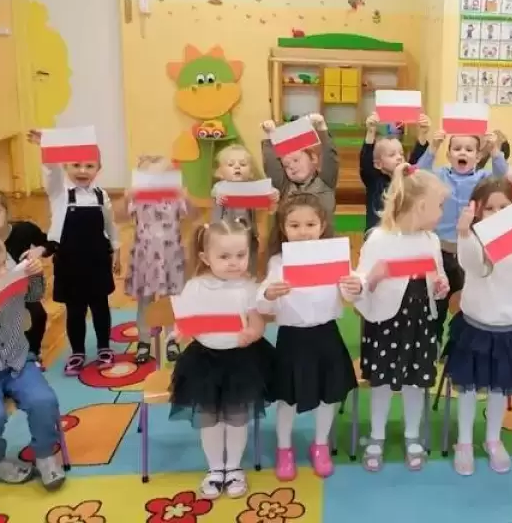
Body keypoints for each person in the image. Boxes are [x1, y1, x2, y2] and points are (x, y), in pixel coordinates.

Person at [445, 177, 512, 475]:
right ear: (477, 210)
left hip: (509, 328)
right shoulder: (475, 237)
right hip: (475, 326)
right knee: (467, 388)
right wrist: (464, 233)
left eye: (504, 207)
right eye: (489, 208)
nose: (497, 213)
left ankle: (493, 439)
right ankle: (464, 441)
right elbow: (473, 265)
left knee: (499, 388)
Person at [352, 163, 450, 473]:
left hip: (419, 325)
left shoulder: (431, 240)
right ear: (421, 206)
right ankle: (377, 436)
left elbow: (437, 279)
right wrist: (372, 279)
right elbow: (359, 285)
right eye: (439, 205)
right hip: (385, 325)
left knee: (415, 383)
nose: (442, 212)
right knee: (381, 383)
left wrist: (440, 287)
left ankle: (412, 435)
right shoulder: (379, 239)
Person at [169, 219, 275, 500]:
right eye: (224, 256)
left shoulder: (249, 287)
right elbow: (185, 320)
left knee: (237, 419)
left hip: (242, 362)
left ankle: (234, 467)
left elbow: (257, 322)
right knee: (209, 420)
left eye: (241, 255)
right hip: (204, 362)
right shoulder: (194, 287)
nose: (234, 263)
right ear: (206, 258)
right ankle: (215, 468)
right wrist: (179, 331)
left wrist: (252, 333)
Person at [257, 193, 359, 481]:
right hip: (292, 338)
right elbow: (263, 301)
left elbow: (352, 290)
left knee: (329, 395)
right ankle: (284, 448)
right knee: (287, 397)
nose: (303, 232)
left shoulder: (334, 256)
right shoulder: (278, 262)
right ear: (283, 228)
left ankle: (320, 444)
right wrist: (269, 294)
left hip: (326, 334)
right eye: (295, 225)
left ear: (322, 225)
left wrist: (355, 286)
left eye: (310, 224)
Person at [0, 227, 66, 490]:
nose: (1, 272)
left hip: (18, 361)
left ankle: (45, 454)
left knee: (44, 400)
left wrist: (34, 275)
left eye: (2, 264)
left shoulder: (6, 278)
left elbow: (33, 296)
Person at [27, 130, 120, 376]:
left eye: (89, 165)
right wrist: (47, 145)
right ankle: (77, 351)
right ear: (66, 166)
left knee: (100, 307)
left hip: (98, 260)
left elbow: (110, 225)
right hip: (69, 262)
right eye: (76, 165)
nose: (82, 170)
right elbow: (51, 171)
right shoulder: (59, 193)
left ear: (98, 168)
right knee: (75, 310)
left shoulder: (101, 195)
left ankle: (104, 347)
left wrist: (117, 249)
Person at [416, 125, 508, 340]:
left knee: (467, 303)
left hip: (471, 251)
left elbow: (504, 177)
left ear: (478, 157)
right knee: (437, 300)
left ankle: (458, 343)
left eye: (468, 149)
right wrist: (433, 148)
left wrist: (495, 151)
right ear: (449, 155)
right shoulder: (440, 175)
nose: (462, 153)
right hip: (441, 252)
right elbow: (418, 174)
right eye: (457, 149)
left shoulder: (484, 178)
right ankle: (434, 339)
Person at [0, 187, 54, 367]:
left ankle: (32, 352)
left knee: (37, 314)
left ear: (6, 212)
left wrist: (39, 251)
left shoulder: (24, 230)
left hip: (17, 291)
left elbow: (51, 242)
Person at [123, 155, 190, 364]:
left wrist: (185, 197)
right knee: (145, 302)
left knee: (170, 301)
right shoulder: (138, 200)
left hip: (170, 257)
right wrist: (126, 198)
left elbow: (192, 215)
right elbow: (121, 218)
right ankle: (144, 340)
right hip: (145, 258)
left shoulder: (175, 199)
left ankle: (172, 339)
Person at [211, 144, 279, 277]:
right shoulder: (220, 187)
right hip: (225, 235)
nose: (237, 167)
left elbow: (268, 193)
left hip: (248, 235)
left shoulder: (252, 188)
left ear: (251, 172)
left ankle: (249, 275)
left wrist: (274, 194)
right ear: (220, 172)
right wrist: (218, 197)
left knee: (249, 258)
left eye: (243, 164)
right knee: (226, 259)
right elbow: (215, 193)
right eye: (231, 164)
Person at [261, 114, 338, 224]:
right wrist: (270, 135)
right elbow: (271, 165)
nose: (291, 166)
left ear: (313, 158)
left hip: (322, 234)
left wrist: (321, 128)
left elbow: (329, 157)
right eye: (286, 165)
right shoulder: (285, 187)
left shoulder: (325, 181)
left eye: (296, 160)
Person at [360, 113, 430, 232]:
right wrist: (371, 131)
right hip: (378, 235)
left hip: (401, 234)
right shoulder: (374, 179)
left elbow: (417, 161)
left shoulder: (407, 178)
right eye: (392, 155)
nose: (399, 157)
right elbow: (366, 161)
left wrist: (423, 134)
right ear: (378, 164)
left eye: (401, 154)